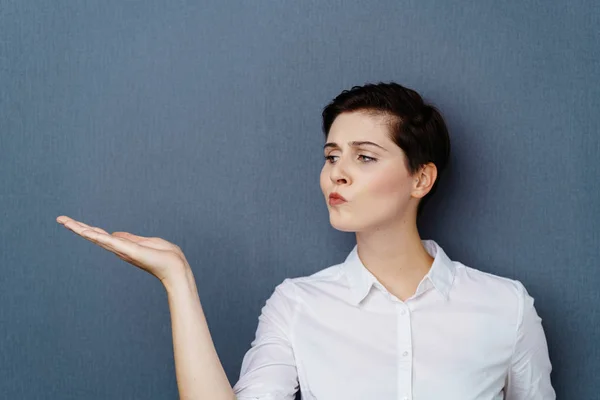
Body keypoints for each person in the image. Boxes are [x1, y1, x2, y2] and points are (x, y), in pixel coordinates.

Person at [56, 82, 555, 400]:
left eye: (364, 157)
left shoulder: (505, 306)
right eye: (331, 155)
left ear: (420, 179)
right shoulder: (298, 304)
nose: (336, 174)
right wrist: (177, 279)